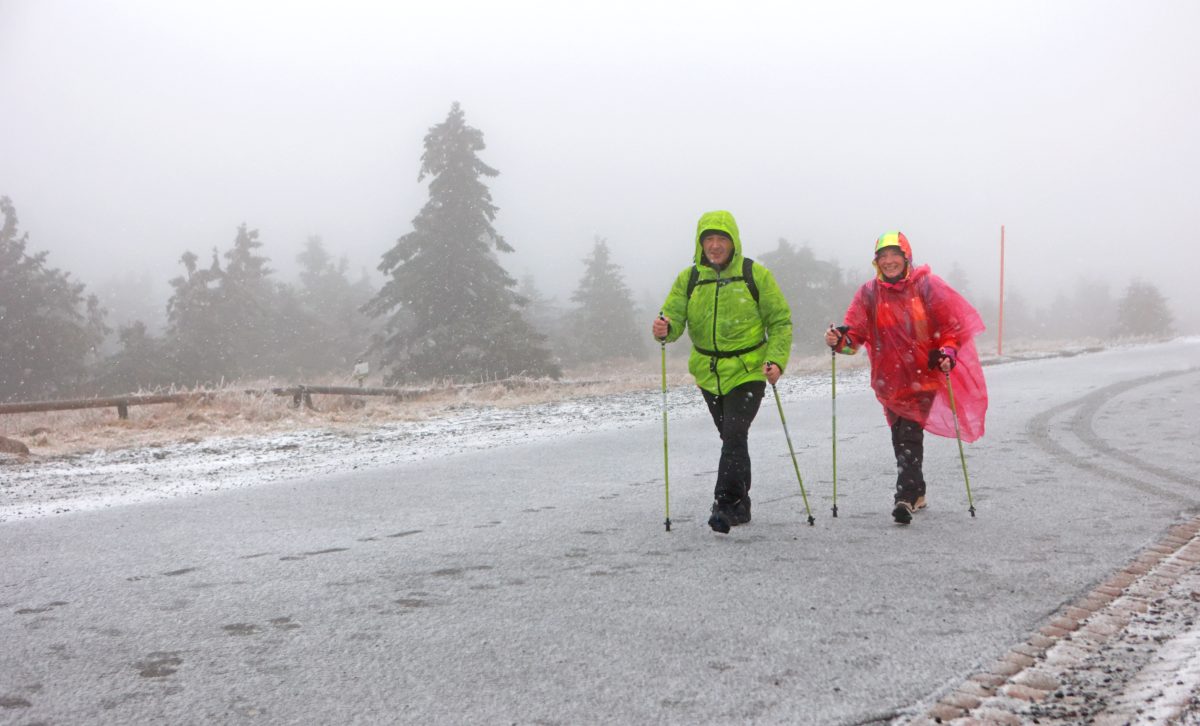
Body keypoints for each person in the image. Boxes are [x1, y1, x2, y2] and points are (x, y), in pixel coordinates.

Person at [824, 231, 987, 524]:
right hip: (888, 378)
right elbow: (856, 337)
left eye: (894, 255)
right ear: (876, 262)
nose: (888, 261)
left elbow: (951, 326)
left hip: (922, 375)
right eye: (882, 257)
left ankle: (906, 496)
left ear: (906, 257)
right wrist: (839, 341)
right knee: (900, 434)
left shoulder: (927, 286)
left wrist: (947, 352)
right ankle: (918, 490)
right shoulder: (869, 293)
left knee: (909, 432)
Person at [652, 210, 793, 534]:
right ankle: (742, 504)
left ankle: (725, 504)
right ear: (700, 244)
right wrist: (664, 328)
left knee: (733, 433)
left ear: (733, 242)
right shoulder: (690, 279)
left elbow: (780, 321)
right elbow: (672, 319)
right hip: (708, 371)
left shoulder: (754, 274)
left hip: (749, 370)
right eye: (709, 240)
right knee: (732, 437)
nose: (715, 246)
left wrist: (776, 360)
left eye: (721, 239)